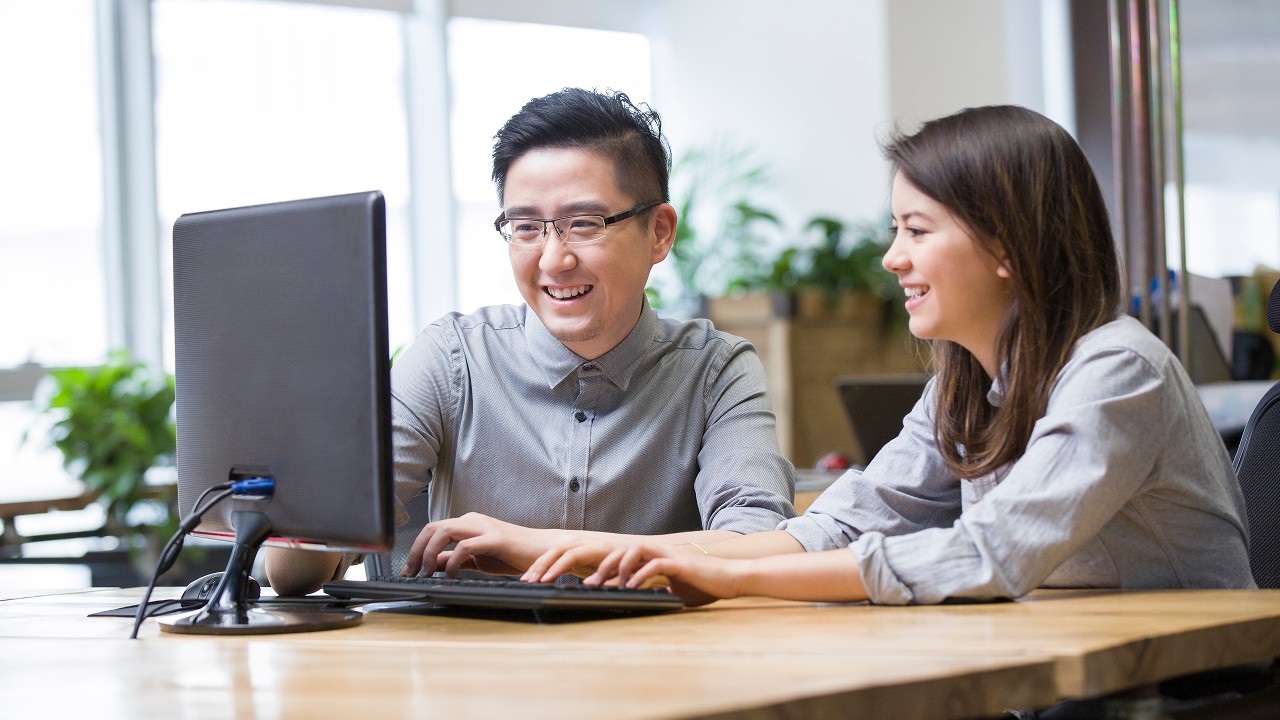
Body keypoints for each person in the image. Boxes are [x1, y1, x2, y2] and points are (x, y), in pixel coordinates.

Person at [520, 104, 1255, 605]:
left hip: (1186, 694)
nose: (892, 257)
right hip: (1057, 677)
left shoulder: (1118, 372)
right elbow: (836, 527)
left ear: (1004, 243)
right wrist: (618, 556)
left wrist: (727, 578)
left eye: (916, 229)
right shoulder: (964, 385)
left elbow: (987, 556)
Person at [265, 88, 795, 595]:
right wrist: (312, 473)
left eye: (584, 224)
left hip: (645, 672)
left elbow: (760, 544)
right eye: (525, 227)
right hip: (454, 672)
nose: (552, 260)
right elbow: (293, 571)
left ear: (659, 232)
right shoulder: (450, 360)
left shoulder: (716, 371)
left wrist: (538, 547)